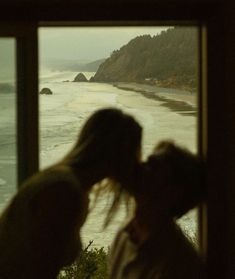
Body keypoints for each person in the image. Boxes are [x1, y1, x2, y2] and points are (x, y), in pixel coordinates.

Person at [0, 108, 142, 279]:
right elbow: (39, 268)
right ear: (118, 153)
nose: (137, 165)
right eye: (134, 153)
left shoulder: (66, 183)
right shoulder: (63, 191)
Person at [109, 140, 206, 279]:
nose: (141, 167)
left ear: (171, 193)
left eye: (152, 167)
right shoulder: (126, 234)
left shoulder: (179, 266)